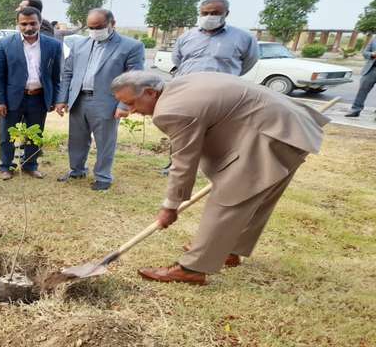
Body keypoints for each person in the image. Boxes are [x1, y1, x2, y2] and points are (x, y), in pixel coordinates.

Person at [110, 71, 329, 285]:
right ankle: (227, 251)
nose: (131, 111)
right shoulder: (180, 84)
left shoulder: (170, 110)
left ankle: (192, 270)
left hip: (272, 132)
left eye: (132, 103)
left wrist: (171, 205)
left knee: (229, 197)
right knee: (257, 195)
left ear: (150, 92)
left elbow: (184, 161)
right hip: (290, 126)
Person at [54, 8, 145, 191]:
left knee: (105, 141)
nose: (95, 31)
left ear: (112, 23)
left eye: (100, 27)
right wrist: (62, 99)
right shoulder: (80, 45)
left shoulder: (131, 46)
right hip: (79, 100)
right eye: (91, 27)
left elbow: (134, 78)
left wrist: (124, 104)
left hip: (107, 103)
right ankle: (77, 170)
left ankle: (103, 177)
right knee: (77, 139)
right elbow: (68, 73)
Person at [0, 6, 62, 180]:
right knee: (8, 133)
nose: (28, 27)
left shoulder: (53, 45)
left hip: (39, 97)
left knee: (36, 133)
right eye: (23, 24)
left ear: (40, 23)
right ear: (17, 24)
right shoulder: (4, 44)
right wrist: (0, 101)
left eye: (33, 23)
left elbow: (56, 75)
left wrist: (54, 98)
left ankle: (30, 164)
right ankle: (6, 166)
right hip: (12, 98)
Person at [172, 0, 259, 77]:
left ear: (226, 13)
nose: (209, 16)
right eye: (205, 13)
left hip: (223, 89)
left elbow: (249, 62)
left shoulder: (244, 38)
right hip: (188, 86)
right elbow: (177, 60)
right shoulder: (186, 36)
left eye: (215, 13)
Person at [345, 38, 376, 117]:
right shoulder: (374, 39)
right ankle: (355, 110)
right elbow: (365, 52)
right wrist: (372, 54)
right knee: (362, 90)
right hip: (371, 70)